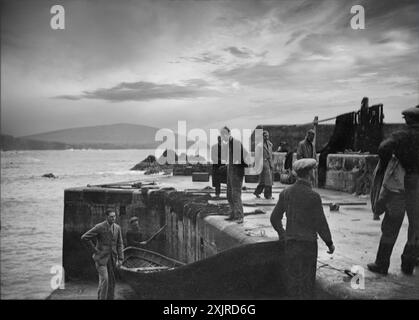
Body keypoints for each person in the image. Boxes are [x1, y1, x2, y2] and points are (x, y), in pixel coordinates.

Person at [270, 158, 335, 298]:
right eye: (314, 171)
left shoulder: (286, 193)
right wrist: (329, 243)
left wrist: (282, 234)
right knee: (306, 284)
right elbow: (321, 224)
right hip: (308, 246)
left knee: (292, 282)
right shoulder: (313, 196)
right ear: (310, 173)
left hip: (291, 244)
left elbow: (274, 218)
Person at [368, 105, 419, 275]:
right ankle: (408, 264)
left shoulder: (401, 135)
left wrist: (391, 162)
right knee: (416, 227)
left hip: (401, 185)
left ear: (409, 120)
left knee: (391, 223)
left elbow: (383, 148)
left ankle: (382, 264)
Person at [81, 209, 124, 300]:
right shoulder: (99, 227)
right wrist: (95, 250)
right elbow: (84, 237)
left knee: (111, 281)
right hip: (101, 259)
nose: (113, 218)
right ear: (106, 217)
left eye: (114, 216)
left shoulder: (117, 228)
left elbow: (120, 244)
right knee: (105, 280)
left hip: (112, 259)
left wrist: (120, 259)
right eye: (111, 217)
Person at [220, 126, 249, 224]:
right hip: (230, 170)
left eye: (223, 134)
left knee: (235, 194)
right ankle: (232, 213)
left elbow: (242, 156)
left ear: (227, 134)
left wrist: (237, 167)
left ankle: (239, 216)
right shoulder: (228, 144)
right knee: (229, 194)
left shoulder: (235, 143)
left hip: (236, 171)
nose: (222, 137)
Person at [254, 130, 274, 199]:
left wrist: (272, 163)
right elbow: (257, 157)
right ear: (262, 137)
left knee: (263, 180)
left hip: (269, 163)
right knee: (268, 180)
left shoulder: (270, 144)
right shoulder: (259, 146)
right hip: (262, 163)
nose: (267, 137)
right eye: (265, 136)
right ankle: (268, 195)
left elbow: (271, 155)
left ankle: (257, 192)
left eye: (267, 136)